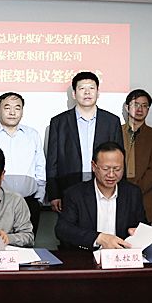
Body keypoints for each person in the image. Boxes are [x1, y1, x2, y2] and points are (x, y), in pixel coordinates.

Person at [46, 71, 124, 213]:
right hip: (69, 189)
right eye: (82, 88)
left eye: (91, 88)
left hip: (104, 189)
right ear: (74, 94)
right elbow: (52, 162)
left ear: (98, 93)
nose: (87, 92)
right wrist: (54, 194)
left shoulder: (111, 121)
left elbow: (119, 159)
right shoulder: (59, 122)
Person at [0, 92, 46, 235]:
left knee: (26, 243)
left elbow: (40, 168)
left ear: (22, 111)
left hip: (28, 202)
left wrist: (39, 199)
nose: (12, 112)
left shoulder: (33, 135)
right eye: (7, 108)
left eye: (17, 108)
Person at [55, 142, 146, 249]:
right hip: (85, 255)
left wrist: (137, 232)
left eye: (117, 169)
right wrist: (98, 238)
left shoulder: (132, 193)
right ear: (94, 166)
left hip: (121, 255)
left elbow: (143, 225)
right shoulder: (75, 194)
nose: (111, 175)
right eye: (105, 169)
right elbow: (63, 229)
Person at [122, 89, 152, 224]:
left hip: (144, 199)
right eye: (136, 104)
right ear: (127, 107)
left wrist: (134, 191)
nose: (140, 109)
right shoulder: (115, 131)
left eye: (144, 106)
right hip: (116, 196)